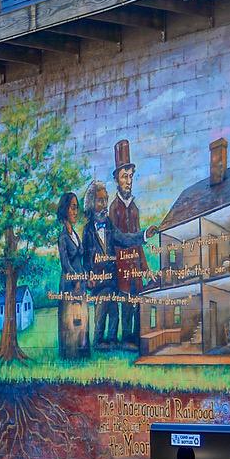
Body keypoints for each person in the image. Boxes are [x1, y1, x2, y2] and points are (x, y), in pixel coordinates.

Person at [107, 140, 145, 350]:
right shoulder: (114, 208)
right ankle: (127, 339)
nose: (128, 181)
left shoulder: (135, 209)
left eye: (130, 176)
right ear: (117, 180)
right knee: (127, 305)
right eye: (124, 177)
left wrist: (145, 267)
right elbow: (115, 241)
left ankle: (138, 338)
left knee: (139, 303)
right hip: (121, 268)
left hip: (136, 268)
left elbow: (138, 242)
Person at [55, 190, 90, 359]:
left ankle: (83, 353)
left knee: (82, 319)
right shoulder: (63, 237)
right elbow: (65, 263)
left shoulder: (75, 234)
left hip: (80, 283)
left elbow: (80, 260)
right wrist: (75, 279)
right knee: (70, 320)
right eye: (73, 208)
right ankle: (70, 354)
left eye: (77, 208)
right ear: (65, 210)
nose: (76, 212)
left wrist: (85, 278)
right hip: (69, 284)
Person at [83, 180, 116, 348]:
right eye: (100, 200)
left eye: (106, 200)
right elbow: (85, 257)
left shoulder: (109, 224)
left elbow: (123, 238)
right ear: (91, 203)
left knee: (114, 313)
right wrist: (88, 276)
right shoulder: (88, 230)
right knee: (101, 313)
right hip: (98, 282)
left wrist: (144, 236)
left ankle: (112, 341)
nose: (104, 204)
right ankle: (98, 342)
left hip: (111, 280)